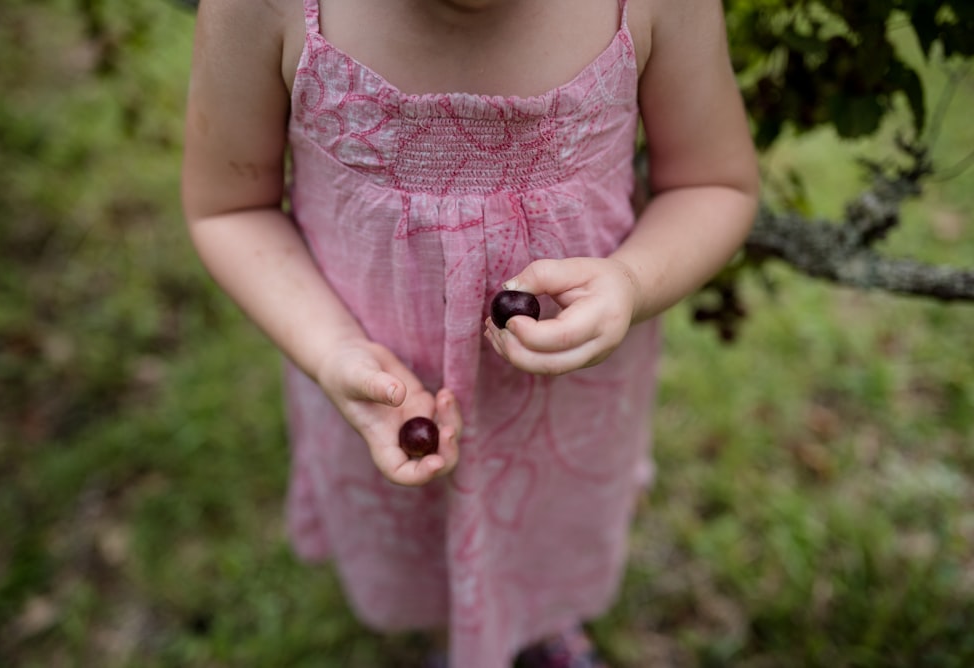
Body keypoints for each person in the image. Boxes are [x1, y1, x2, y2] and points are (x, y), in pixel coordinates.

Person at [181, 0, 759, 665]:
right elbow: (228, 207)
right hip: (378, 390)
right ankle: (444, 637)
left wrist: (630, 280)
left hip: (563, 408)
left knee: (545, 530)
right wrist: (330, 349)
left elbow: (714, 182)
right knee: (416, 532)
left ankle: (543, 631)